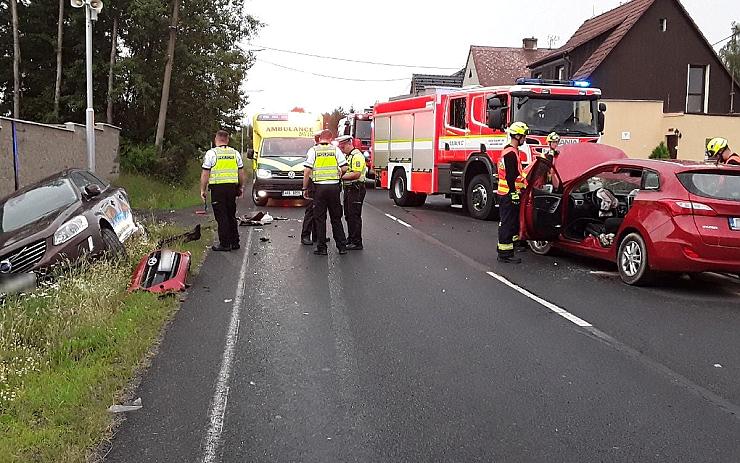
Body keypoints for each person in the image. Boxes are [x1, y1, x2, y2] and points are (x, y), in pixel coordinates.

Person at [302, 130, 348, 255]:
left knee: (320, 218)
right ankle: (342, 246)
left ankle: (322, 248)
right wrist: (339, 175)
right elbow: (344, 167)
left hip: (319, 189)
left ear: (320, 138)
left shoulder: (314, 151)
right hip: (334, 188)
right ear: (330, 138)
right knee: (336, 218)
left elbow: (307, 171)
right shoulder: (335, 150)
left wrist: (305, 188)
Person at [200, 130, 245, 252]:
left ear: (216, 139)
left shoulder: (211, 153)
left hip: (218, 189)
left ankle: (225, 244)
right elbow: (241, 173)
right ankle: (235, 242)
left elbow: (205, 174)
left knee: (221, 216)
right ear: (227, 140)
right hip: (231, 188)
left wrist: (202, 190)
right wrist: (240, 187)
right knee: (231, 215)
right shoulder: (235, 153)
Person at [497, 121, 529, 264]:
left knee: (511, 222)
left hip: (508, 193)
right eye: (523, 136)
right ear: (517, 136)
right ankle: (505, 254)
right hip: (508, 194)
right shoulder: (511, 154)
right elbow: (510, 176)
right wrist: (513, 193)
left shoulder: (511, 151)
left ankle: (510, 247)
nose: (525, 139)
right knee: (507, 223)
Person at [337, 135, 366, 250]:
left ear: (349, 144)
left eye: (343, 147)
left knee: (354, 215)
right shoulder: (348, 156)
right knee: (348, 215)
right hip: (349, 189)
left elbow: (356, 174)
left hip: (356, 189)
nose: (342, 149)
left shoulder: (357, 156)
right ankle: (351, 238)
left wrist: (340, 177)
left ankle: (357, 242)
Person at [301, 131, 325, 245]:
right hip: (313, 184)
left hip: (322, 184)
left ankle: (318, 235)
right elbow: (307, 171)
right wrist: (305, 188)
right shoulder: (313, 151)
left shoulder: (323, 150)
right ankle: (305, 235)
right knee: (311, 211)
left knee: (320, 211)